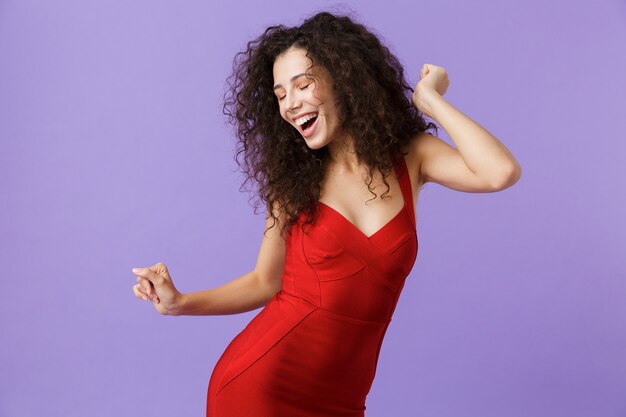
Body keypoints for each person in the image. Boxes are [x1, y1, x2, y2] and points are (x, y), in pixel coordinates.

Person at [130, 11, 521, 417]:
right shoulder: (293, 182)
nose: (291, 104)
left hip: (342, 399)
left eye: (303, 85)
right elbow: (265, 282)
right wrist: (181, 303)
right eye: (281, 94)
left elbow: (500, 172)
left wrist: (431, 102)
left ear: (344, 79)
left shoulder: (412, 156)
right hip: (261, 386)